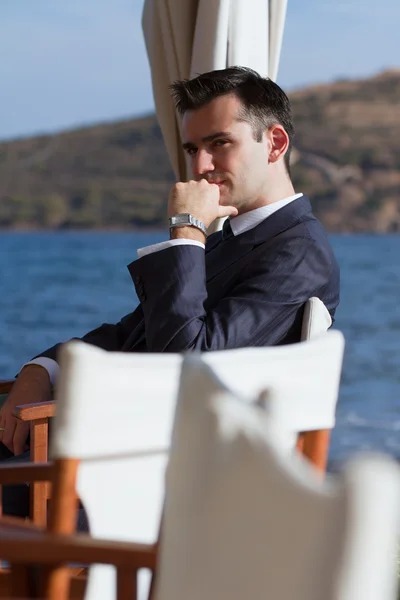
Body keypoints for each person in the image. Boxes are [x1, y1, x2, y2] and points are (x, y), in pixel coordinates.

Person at [0, 66, 340, 518]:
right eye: (192, 148)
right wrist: (40, 369)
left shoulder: (298, 254)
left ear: (275, 143)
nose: (200, 166)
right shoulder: (228, 243)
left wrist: (187, 230)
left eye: (219, 143)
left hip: (154, 481)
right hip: (118, 448)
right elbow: (128, 335)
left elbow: (188, 364)